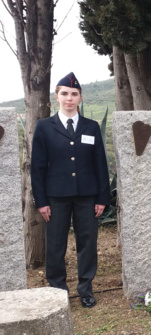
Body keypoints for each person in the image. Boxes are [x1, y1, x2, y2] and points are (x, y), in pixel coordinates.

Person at [30, 72, 110, 308]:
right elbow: (37, 167)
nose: (69, 98)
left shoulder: (91, 127)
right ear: (57, 97)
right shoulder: (45, 127)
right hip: (55, 198)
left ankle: (85, 288)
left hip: (87, 196)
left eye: (74, 94)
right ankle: (58, 290)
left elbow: (100, 165)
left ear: (80, 98)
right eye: (64, 93)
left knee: (88, 244)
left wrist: (102, 197)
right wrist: (41, 201)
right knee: (55, 245)